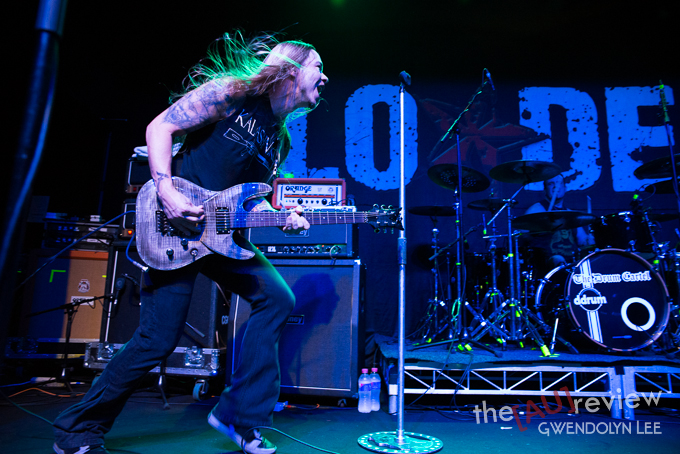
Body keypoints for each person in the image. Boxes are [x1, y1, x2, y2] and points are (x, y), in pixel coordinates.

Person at [52, 32, 328, 454]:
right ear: (291, 70)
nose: (324, 78)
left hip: (220, 238)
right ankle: (76, 430)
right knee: (156, 341)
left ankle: (238, 416)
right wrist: (166, 191)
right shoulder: (233, 93)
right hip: (175, 228)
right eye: (318, 68)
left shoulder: (280, 140)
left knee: (277, 298)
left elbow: (248, 199)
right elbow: (159, 127)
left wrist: (280, 217)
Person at [523, 174, 595, 275]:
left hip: (572, 264)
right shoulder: (536, 210)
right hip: (546, 266)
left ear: (565, 188)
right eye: (551, 184)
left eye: (559, 183)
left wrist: (589, 241)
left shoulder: (570, 214)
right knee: (557, 259)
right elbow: (522, 237)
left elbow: (582, 241)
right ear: (545, 189)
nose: (555, 187)